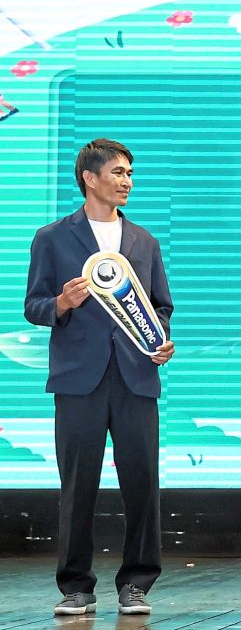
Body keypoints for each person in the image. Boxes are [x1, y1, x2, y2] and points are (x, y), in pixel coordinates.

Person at [25, 139, 176, 616]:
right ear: (89, 178)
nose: (127, 181)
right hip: (78, 380)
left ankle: (137, 584)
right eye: (118, 172)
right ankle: (76, 587)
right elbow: (34, 306)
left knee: (142, 483)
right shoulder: (52, 238)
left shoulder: (144, 242)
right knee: (78, 486)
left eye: (130, 173)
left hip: (136, 379)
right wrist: (62, 304)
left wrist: (161, 340)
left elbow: (161, 307)